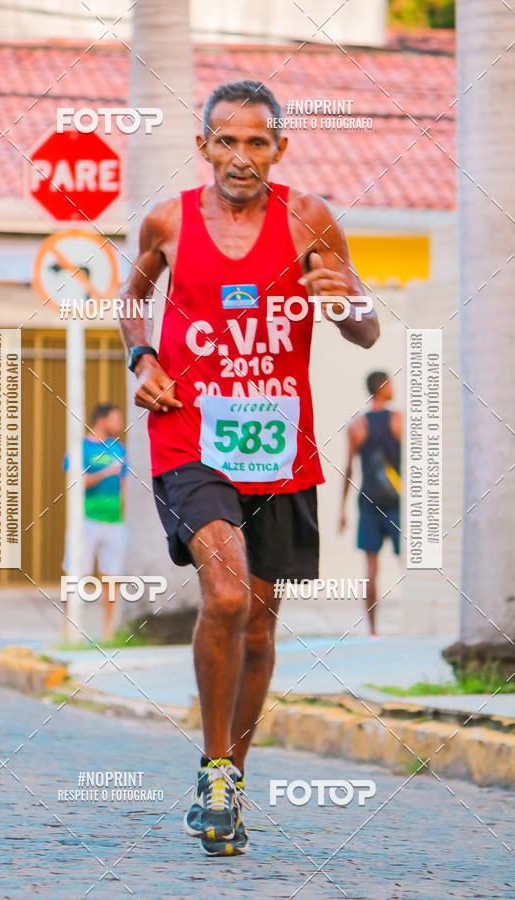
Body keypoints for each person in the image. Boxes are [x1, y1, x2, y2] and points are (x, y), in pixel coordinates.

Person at [119, 79, 379, 856]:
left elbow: (363, 328)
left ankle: (232, 781)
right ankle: (211, 767)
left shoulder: (311, 219)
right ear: (203, 146)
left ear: (279, 149)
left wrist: (344, 306)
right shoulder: (165, 221)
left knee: (261, 631)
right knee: (226, 592)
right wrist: (143, 355)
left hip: (278, 443)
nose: (240, 156)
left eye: (256, 142)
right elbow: (132, 298)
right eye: (225, 141)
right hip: (190, 435)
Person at [339, 372, 402, 636]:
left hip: (368, 501)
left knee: (371, 569)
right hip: (396, 502)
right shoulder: (398, 420)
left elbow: (348, 470)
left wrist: (341, 510)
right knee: (408, 560)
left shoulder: (356, 425)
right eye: (391, 382)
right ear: (382, 387)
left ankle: (373, 630)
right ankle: (416, 621)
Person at [63, 403, 127, 642]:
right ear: (102, 420)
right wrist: (105, 472)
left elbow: (123, 486)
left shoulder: (119, 449)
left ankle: (108, 632)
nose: (120, 424)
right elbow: (77, 482)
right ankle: (68, 631)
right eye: (116, 418)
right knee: (76, 575)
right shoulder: (80, 449)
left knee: (112, 577)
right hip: (86, 521)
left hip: (114, 522)